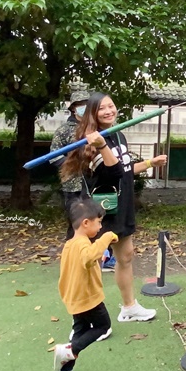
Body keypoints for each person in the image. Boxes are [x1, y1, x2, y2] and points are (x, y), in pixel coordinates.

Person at [61, 92, 167, 323]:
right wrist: (100, 145)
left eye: (111, 106)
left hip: (122, 204)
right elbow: (112, 172)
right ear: (92, 113)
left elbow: (125, 168)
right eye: (102, 109)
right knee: (91, 262)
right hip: (99, 210)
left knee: (126, 256)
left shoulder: (116, 135)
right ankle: (85, 319)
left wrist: (150, 163)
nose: (109, 111)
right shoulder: (90, 140)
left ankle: (129, 307)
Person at [52, 199, 118, 371]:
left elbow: (86, 262)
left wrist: (101, 254)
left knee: (80, 332)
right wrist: (105, 238)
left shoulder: (71, 244)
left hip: (76, 300)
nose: (100, 226)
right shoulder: (82, 245)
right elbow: (89, 257)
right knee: (102, 326)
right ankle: (69, 350)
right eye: (98, 222)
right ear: (85, 223)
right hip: (88, 300)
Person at [51, 91, 116, 271]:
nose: (82, 107)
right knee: (78, 222)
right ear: (73, 109)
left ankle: (104, 257)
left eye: (86, 104)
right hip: (73, 185)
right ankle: (73, 259)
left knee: (99, 219)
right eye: (79, 104)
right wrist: (72, 165)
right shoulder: (64, 131)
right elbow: (53, 156)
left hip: (95, 184)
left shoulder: (96, 129)